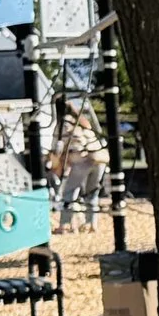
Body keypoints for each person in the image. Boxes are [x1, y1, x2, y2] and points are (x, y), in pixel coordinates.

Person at [50, 94, 109, 229]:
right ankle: (91, 225)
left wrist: (55, 162)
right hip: (99, 158)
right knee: (91, 194)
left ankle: (64, 225)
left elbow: (58, 147)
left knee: (69, 193)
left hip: (82, 160)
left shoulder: (64, 124)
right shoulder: (82, 121)